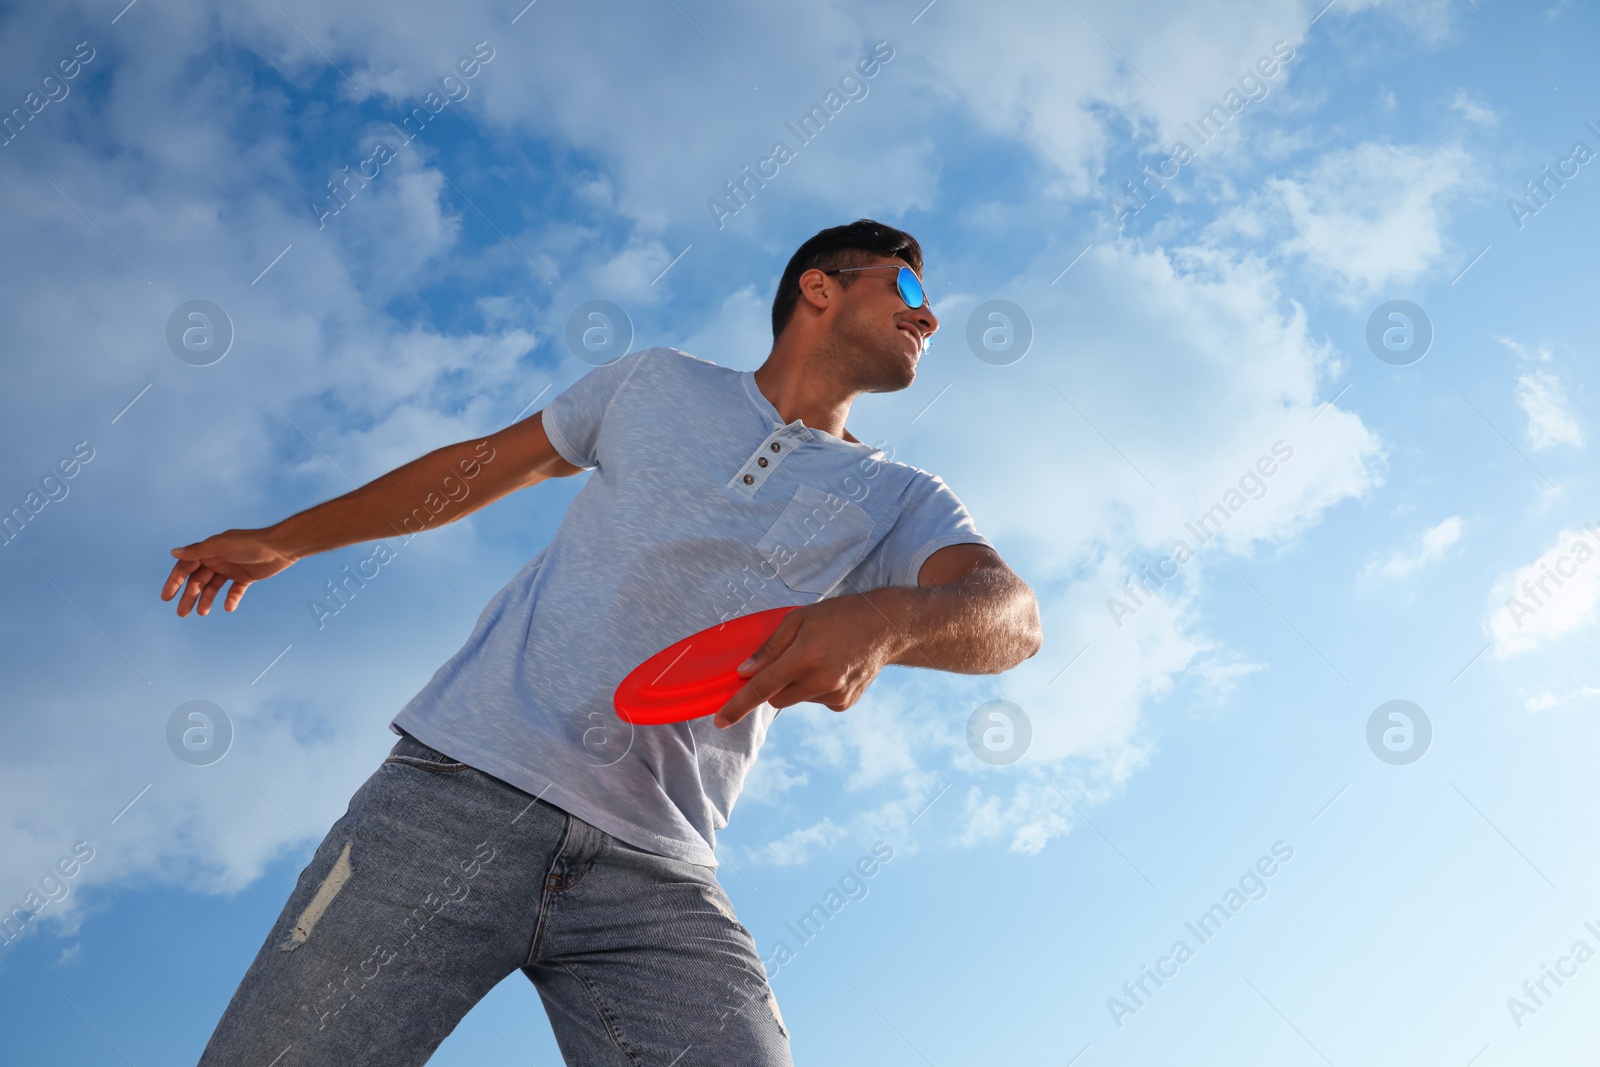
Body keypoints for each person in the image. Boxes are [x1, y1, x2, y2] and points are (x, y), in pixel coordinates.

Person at [166, 218, 1042, 1066]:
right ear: (820, 286)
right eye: (911, 286)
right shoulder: (652, 381)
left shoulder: (898, 494)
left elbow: (1012, 617)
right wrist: (286, 538)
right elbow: (480, 466)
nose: (929, 316)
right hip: (456, 795)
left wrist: (885, 621)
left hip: (659, 868)